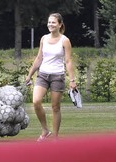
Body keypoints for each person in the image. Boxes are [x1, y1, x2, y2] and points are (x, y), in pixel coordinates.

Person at [25, 13, 77, 142]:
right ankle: (45, 130)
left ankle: (55, 137)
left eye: (53, 22)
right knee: (36, 102)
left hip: (57, 76)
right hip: (42, 74)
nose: (50, 25)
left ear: (60, 24)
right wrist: (30, 75)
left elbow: (68, 61)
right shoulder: (44, 38)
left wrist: (72, 80)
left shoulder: (65, 40)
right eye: (49, 22)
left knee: (55, 107)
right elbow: (39, 58)